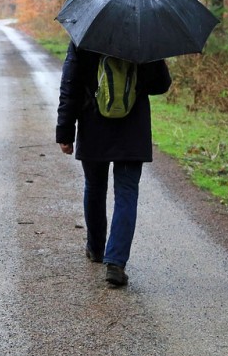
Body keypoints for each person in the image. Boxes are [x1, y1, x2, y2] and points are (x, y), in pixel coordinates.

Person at [56, 42, 172, 287]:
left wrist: (65, 132)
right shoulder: (144, 36)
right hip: (132, 130)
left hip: (93, 125)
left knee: (95, 187)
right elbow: (161, 85)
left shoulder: (85, 37)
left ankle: (96, 248)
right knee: (126, 193)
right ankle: (116, 263)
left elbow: (70, 85)